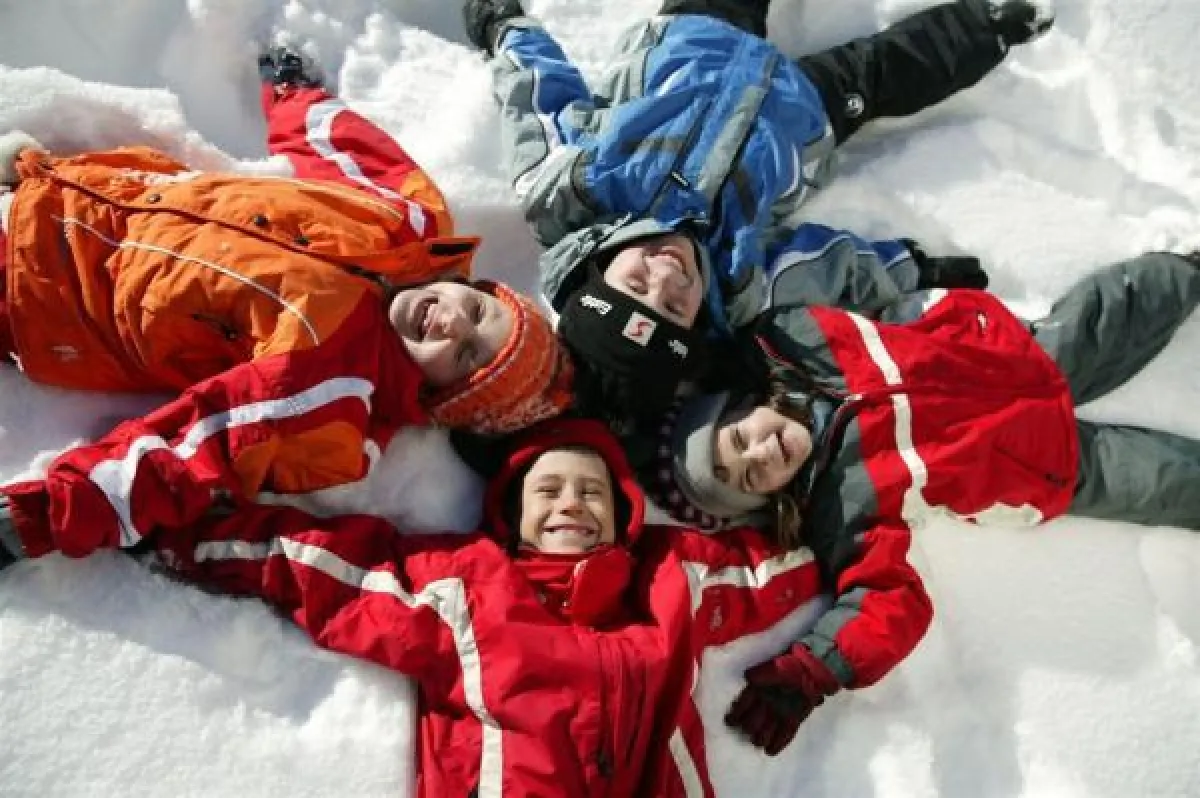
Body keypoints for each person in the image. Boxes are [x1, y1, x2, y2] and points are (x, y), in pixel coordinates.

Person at [0, 417, 836, 791]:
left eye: (591, 493)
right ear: (512, 511)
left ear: (623, 512)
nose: (571, 505)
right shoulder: (463, 587)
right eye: (548, 490)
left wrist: (834, 525)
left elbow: (777, 571)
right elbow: (311, 566)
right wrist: (172, 533)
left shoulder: (673, 580)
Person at [0, 47, 573, 560]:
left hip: (35, 295)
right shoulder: (407, 223)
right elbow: (347, 150)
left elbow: (194, 448)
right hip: (61, 188)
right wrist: (294, 95)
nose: (450, 322)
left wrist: (42, 516)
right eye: (475, 312)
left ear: (443, 394)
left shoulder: (329, 384)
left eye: (467, 356)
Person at [640, 250, 1200, 735]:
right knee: (1163, 481)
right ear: (767, 502)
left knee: (1118, 308)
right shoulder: (842, 506)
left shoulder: (799, 343)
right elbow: (891, 601)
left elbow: (834, 277)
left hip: (1017, 354)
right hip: (1037, 466)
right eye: (748, 479)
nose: (763, 454)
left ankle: (1187, 270)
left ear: (744, 403)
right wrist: (814, 668)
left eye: (740, 438)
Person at [462, 0, 1050, 418]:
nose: (667, 273)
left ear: (594, 272)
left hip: (695, 39)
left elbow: (540, 98)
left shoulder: (570, 189)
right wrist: (916, 268)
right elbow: (829, 267)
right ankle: (995, 22)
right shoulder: (740, 283)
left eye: (637, 282)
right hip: (800, 116)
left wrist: (504, 27)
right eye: (673, 306)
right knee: (895, 69)